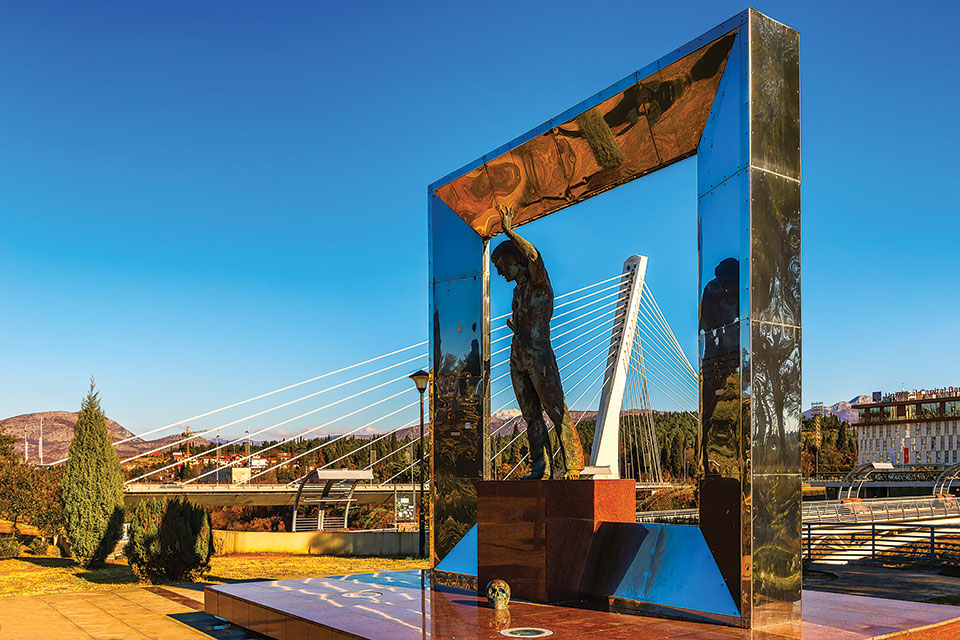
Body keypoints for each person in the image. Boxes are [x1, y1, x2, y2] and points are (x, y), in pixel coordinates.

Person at [492, 203, 584, 479]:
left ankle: (573, 464)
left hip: (539, 353)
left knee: (555, 409)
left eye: (501, 265)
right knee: (530, 415)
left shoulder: (538, 283)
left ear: (515, 260)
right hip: (518, 354)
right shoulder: (517, 292)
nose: (500, 273)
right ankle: (540, 468)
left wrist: (510, 232)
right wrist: (517, 327)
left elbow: (534, 256)